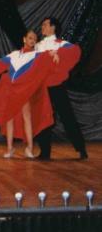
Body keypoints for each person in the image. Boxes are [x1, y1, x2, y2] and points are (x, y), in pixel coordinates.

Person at [0, 30, 54, 158]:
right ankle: (9, 149)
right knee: (9, 119)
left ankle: (29, 148)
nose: (32, 41)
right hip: (11, 91)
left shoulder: (37, 55)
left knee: (26, 117)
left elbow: (48, 56)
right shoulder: (14, 55)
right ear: (24, 39)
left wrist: (53, 53)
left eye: (34, 39)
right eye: (30, 38)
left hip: (24, 91)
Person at [34, 17, 87, 161]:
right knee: (43, 118)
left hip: (57, 86)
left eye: (45, 24)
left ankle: (81, 148)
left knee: (67, 116)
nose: (42, 27)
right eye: (42, 25)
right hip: (42, 88)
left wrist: (58, 53)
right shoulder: (38, 46)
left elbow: (75, 51)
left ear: (53, 28)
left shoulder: (62, 44)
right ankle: (45, 151)